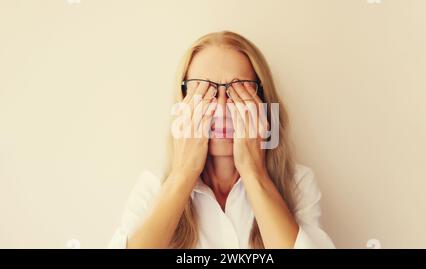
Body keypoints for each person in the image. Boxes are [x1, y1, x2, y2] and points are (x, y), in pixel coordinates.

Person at [108, 31, 335, 249]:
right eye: (205, 92)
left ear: (262, 105)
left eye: (238, 91)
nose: (222, 109)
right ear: (184, 104)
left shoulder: (298, 184)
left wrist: (254, 173)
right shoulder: (152, 189)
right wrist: (183, 174)